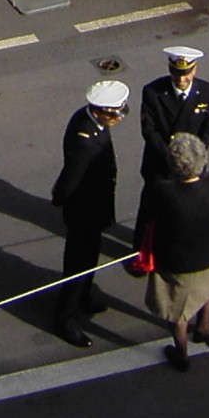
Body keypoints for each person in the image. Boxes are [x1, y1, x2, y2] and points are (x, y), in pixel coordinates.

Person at [50, 78, 128, 346]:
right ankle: (66, 318)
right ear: (99, 111)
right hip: (84, 211)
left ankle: (84, 295)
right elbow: (70, 179)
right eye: (113, 113)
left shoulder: (94, 124)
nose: (117, 118)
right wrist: (59, 199)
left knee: (90, 256)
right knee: (77, 264)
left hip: (95, 207)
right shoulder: (85, 140)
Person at [138, 133, 209, 371]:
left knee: (177, 313)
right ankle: (204, 326)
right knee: (208, 287)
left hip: (179, 264)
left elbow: (150, 218)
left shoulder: (164, 192)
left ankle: (182, 353)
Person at [138, 45, 209, 182]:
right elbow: (149, 130)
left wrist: (193, 156)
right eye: (176, 73)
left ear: (194, 70)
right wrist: (173, 157)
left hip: (192, 166)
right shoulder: (153, 92)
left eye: (185, 74)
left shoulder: (207, 92)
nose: (181, 80)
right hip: (161, 164)